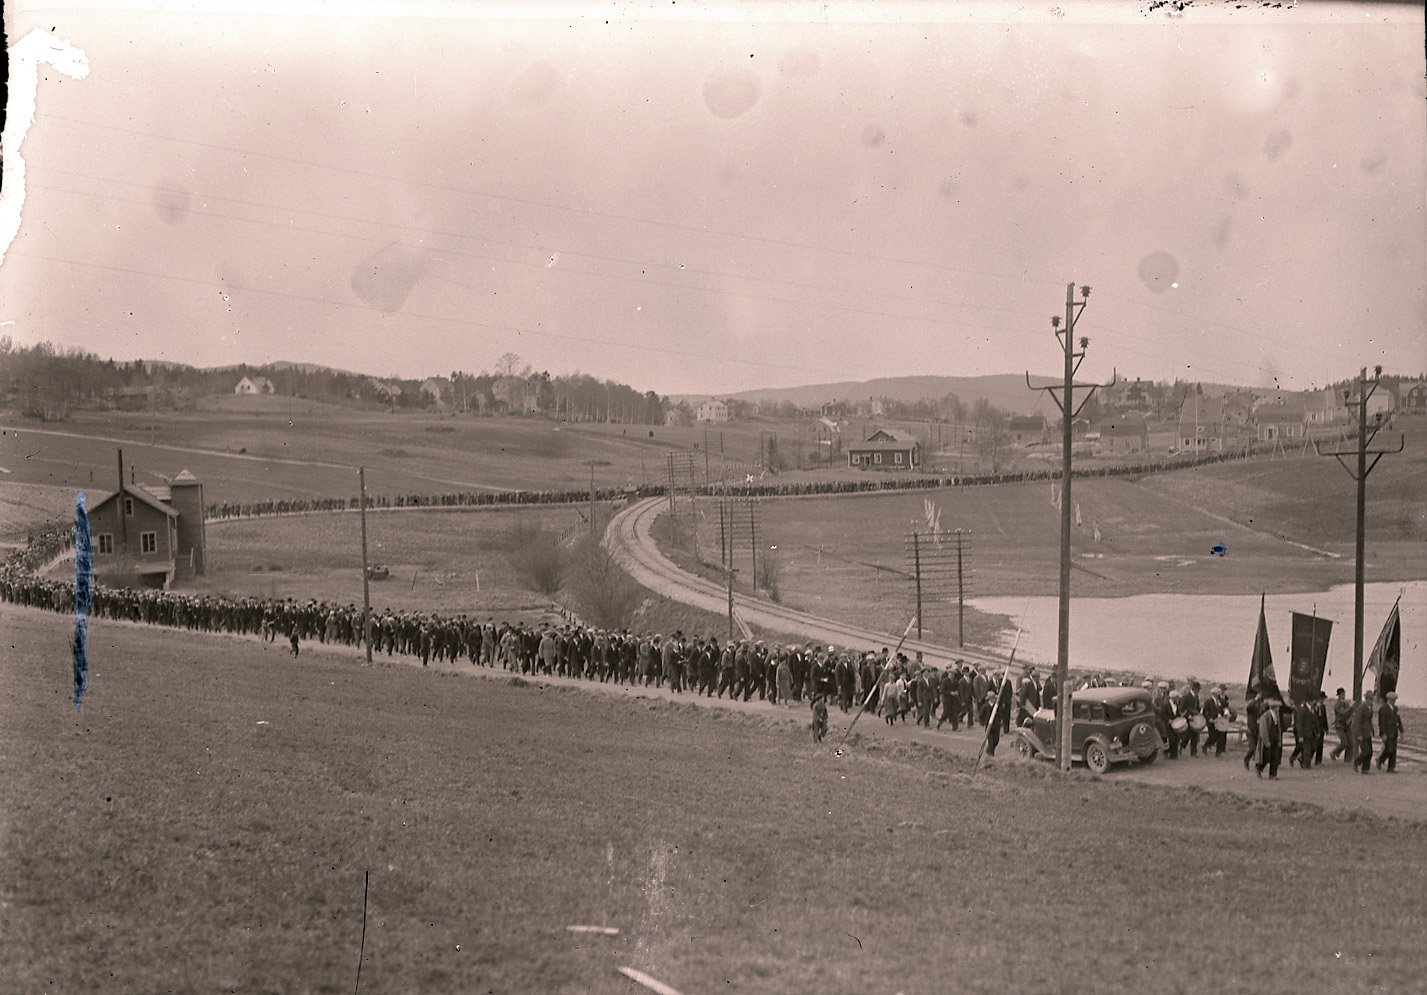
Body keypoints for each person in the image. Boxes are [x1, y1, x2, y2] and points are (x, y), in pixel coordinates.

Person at [1254, 699, 1283, 779]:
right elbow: (1263, 730)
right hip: (1267, 740)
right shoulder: (1265, 716)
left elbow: (1279, 729)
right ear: (1274, 708)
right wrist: (1266, 741)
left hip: (1275, 740)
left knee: (1275, 757)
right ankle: (1258, 769)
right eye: (1278, 707)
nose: (1279, 709)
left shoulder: (1277, 716)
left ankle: (1272, 774)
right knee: (1266, 757)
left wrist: (1279, 740)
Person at [1376, 692, 1403, 773]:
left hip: (1394, 732)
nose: (1394, 701)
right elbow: (1382, 722)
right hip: (1387, 733)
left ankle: (1391, 767)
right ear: (1389, 700)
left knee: (1393, 750)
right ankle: (1380, 759)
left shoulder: (1395, 708)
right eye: (1393, 700)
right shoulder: (1383, 709)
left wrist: (1401, 730)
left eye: (1395, 700)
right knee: (1389, 749)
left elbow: (1398, 720)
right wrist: (1383, 734)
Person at [1289, 697, 1319, 770]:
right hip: (1305, 733)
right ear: (1309, 701)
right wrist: (1300, 736)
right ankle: (1306, 765)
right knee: (1307, 749)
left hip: (1312, 733)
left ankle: (1302, 759)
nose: (1313, 702)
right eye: (1312, 701)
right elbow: (1299, 724)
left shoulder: (1312, 709)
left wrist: (1317, 731)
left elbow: (1315, 721)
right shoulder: (1303, 710)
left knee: (1314, 748)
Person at [1351, 690, 1377, 773]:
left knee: (1370, 752)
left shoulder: (1370, 707)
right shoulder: (1362, 708)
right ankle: (1356, 762)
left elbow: (1369, 720)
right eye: (1370, 699)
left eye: (1372, 699)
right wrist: (1359, 734)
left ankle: (1365, 769)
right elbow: (1357, 722)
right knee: (1366, 751)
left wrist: (1372, 730)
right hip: (1362, 733)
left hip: (1367, 732)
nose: (1372, 701)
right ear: (1366, 699)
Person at [1329, 688, 1355, 763]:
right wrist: (1350, 707)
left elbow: (1350, 713)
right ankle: (1333, 753)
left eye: (1344, 694)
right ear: (1339, 695)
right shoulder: (1337, 704)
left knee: (1351, 743)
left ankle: (1348, 760)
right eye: (1342, 694)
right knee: (1344, 742)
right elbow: (1343, 713)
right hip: (1340, 725)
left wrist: (1351, 717)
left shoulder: (1346, 703)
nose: (1344, 695)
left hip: (1347, 724)